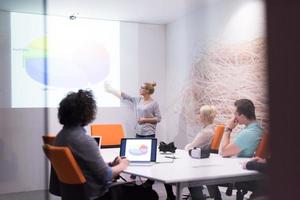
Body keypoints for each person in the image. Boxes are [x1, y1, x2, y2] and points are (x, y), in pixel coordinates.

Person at [53, 89, 130, 200]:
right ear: (87, 112)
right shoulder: (84, 140)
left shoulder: (60, 137)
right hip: (95, 195)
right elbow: (106, 176)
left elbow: (82, 167)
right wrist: (123, 164)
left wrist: (109, 165)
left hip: (74, 195)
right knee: (149, 194)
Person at [105, 82, 176, 200]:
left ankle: (167, 192)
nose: (140, 89)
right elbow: (125, 96)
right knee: (137, 160)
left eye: (142, 88)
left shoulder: (154, 103)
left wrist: (145, 119)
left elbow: (158, 118)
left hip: (149, 135)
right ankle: (147, 183)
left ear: (148, 91)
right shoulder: (137, 100)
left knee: (151, 164)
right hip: (139, 133)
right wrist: (111, 89)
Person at [207, 99, 264, 200]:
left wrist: (228, 129)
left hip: (240, 174)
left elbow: (223, 152)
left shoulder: (249, 133)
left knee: (207, 175)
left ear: (241, 116)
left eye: (235, 114)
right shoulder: (257, 129)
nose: (233, 117)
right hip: (240, 167)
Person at [184, 105, 217, 200]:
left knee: (188, 177)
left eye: (200, 114)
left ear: (204, 117)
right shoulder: (210, 129)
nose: (198, 116)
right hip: (201, 160)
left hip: (199, 162)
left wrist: (187, 146)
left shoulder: (206, 132)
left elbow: (190, 147)